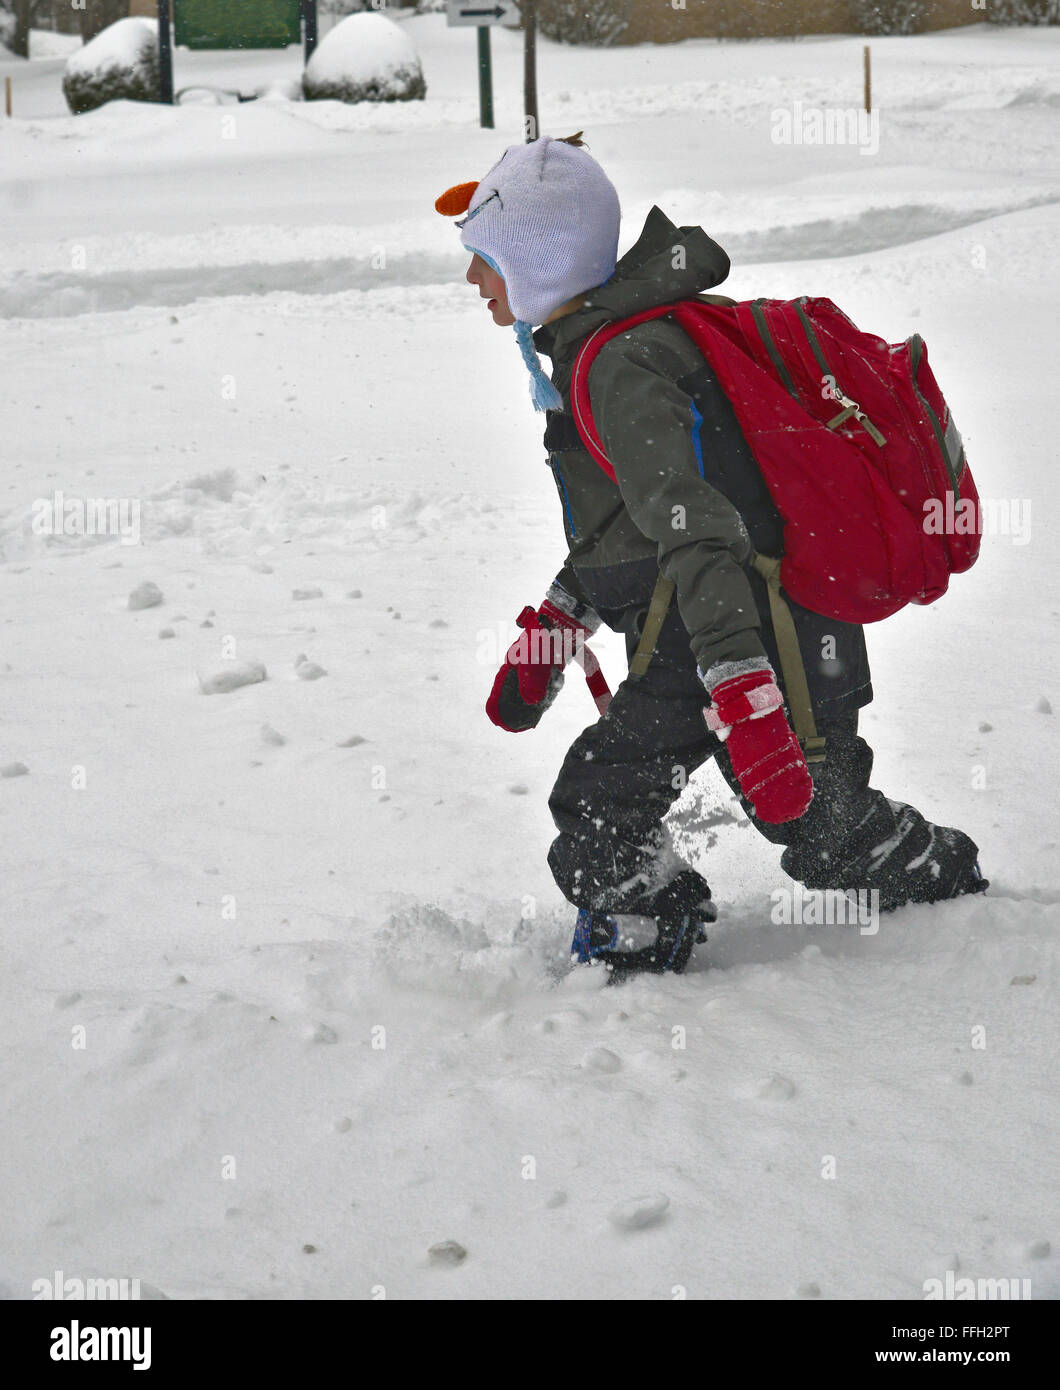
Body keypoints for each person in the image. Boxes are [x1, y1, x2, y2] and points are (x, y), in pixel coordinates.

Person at [436, 133, 987, 981]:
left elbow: (697, 532)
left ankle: (645, 947)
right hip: (749, 630)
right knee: (822, 826)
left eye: (485, 258)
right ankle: (905, 864)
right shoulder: (605, 349)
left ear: (538, 262)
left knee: (601, 807)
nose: (473, 279)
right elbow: (630, 526)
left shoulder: (620, 366)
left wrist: (742, 689)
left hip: (734, 642)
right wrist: (555, 623)